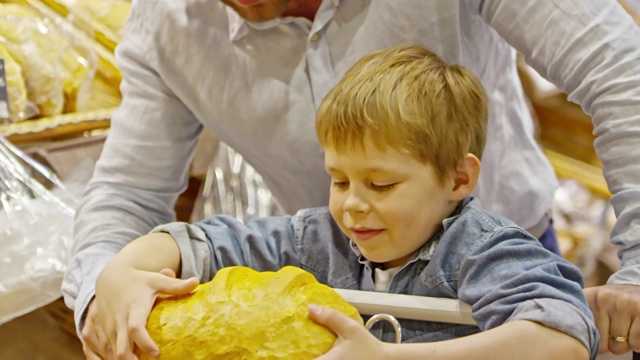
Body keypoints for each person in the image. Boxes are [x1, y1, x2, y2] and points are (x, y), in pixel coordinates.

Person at [62, 0, 640, 357]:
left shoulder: (494, 256)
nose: (355, 204)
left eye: (382, 184)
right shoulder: (319, 238)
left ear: (460, 177)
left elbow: (623, 74)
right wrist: (112, 282)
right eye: (337, 180)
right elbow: (137, 198)